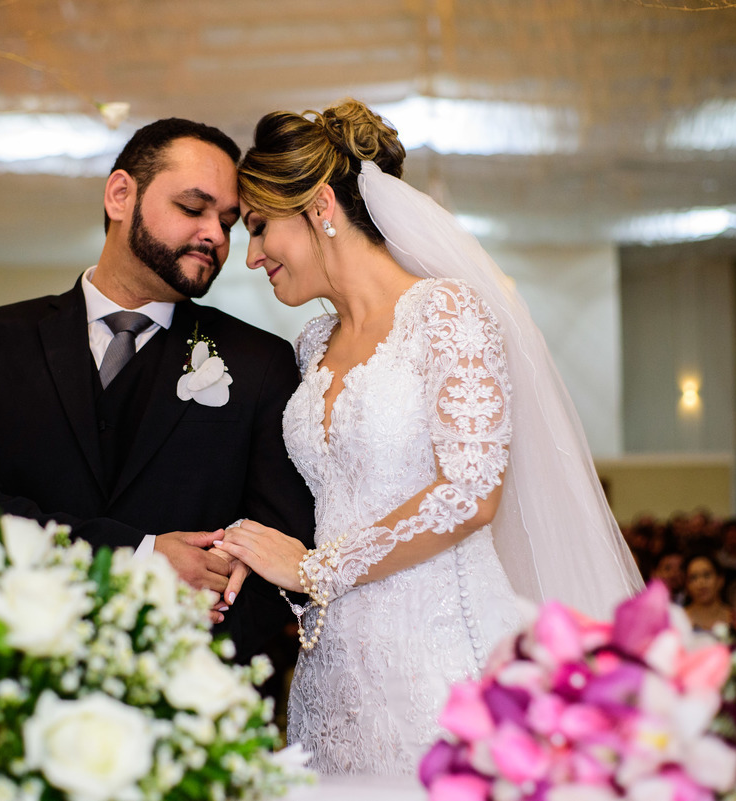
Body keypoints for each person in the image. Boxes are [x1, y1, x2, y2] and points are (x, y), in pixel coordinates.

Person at [214, 99, 643, 774]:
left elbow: (471, 493)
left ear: (320, 205)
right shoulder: (312, 344)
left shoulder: (446, 312)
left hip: (443, 663)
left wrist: (316, 569)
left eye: (260, 227)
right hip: (334, 674)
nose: (251, 256)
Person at [0, 118, 315, 662]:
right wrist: (137, 556)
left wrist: (185, 669)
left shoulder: (261, 363)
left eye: (228, 222)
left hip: (188, 685)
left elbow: (280, 553)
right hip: (12, 670)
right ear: (120, 195)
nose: (217, 236)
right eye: (192, 208)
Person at [683, 552, 732, 632]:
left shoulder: (734, 618)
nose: (701, 583)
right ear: (687, 585)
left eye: (707, 575)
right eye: (693, 578)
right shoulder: (680, 619)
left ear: (720, 580)